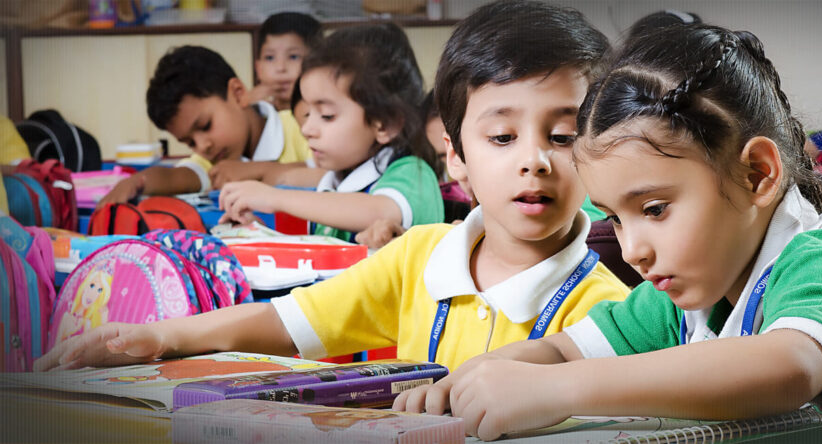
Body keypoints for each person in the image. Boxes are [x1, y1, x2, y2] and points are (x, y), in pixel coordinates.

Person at [393, 23, 822, 443]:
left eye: (655, 208)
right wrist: (464, 384)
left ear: (758, 173)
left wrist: (555, 390)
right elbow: (561, 348)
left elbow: (786, 367)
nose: (632, 248)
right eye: (615, 218)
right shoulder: (691, 293)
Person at [36, 0, 630, 373]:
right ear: (456, 156)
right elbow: (289, 324)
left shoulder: (611, 312)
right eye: (502, 137)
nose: (536, 161)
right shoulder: (419, 258)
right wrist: (161, 335)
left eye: (563, 136)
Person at [217, 24, 443, 243]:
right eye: (307, 114)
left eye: (326, 115)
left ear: (384, 124)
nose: (307, 130)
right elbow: (326, 252)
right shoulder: (336, 179)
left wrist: (272, 197)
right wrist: (258, 233)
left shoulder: (414, 174)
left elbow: (378, 211)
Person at [98, 46, 311, 205]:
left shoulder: (300, 128)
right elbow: (174, 177)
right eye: (189, 142)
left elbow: (330, 174)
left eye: (205, 125)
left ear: (237, 94)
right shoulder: (217, 163)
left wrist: (257, 171)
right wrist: (136, 182)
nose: (203, 146)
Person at [246, 12, 322, 112]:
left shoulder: (324, 109)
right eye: (270, 58)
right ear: (258, 68)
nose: (280, 68)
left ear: (317, 64)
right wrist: (251, 111)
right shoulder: (251, 106)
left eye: (293, 57)